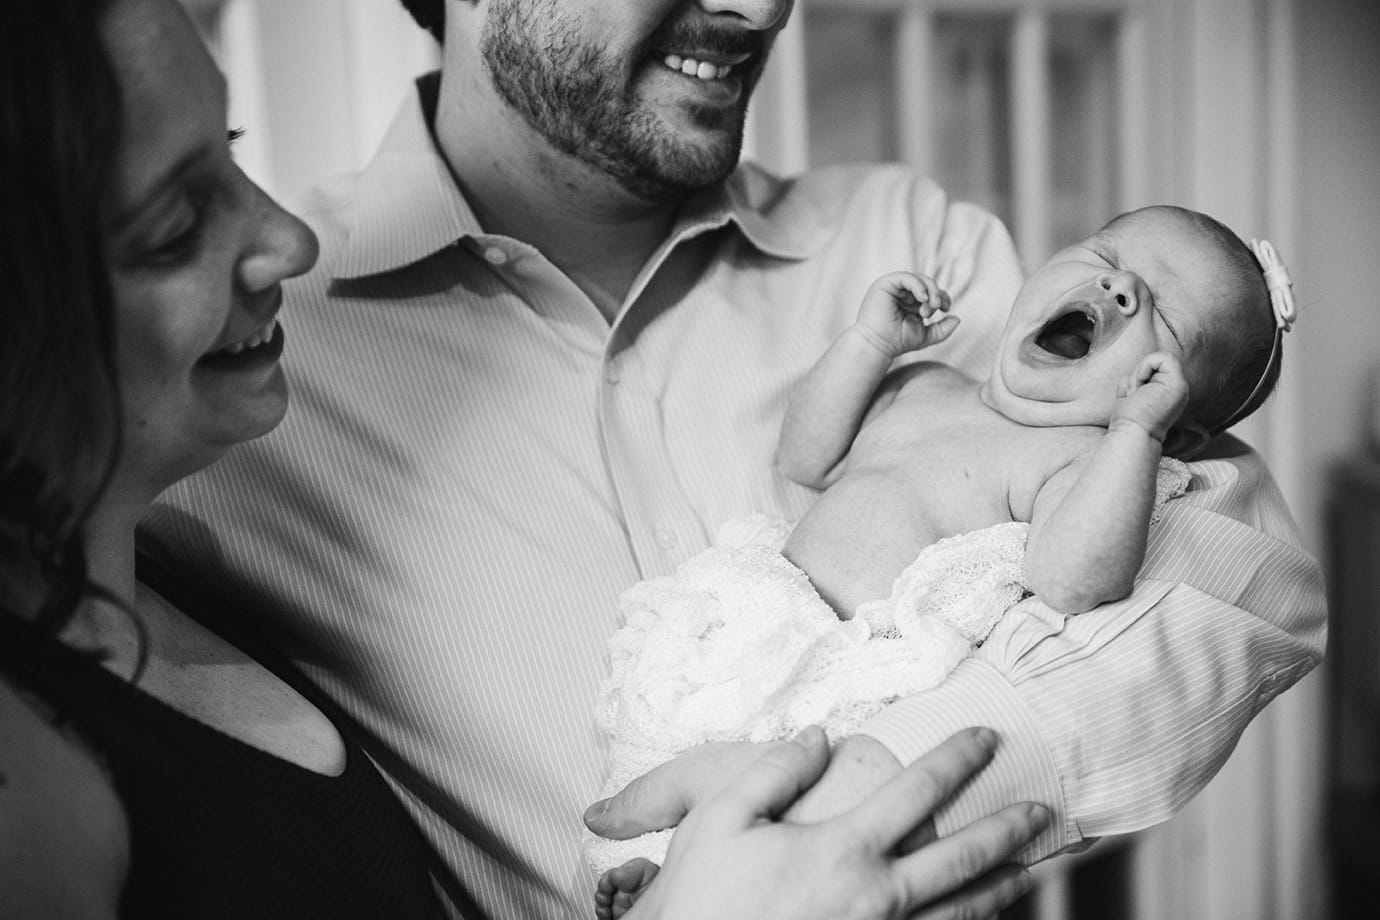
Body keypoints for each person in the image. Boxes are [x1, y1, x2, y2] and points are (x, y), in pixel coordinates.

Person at [145, 1, 1327, 917]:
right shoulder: (219, 365)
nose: (761, 10)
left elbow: (1234, 568)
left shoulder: (914, 243)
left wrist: (852, 790)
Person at [0, 2, 1050, 918]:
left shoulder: (917, 251)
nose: (760, 7)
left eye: (233, 150)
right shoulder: (250, 388)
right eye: (181, 218)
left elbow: (1198, 558)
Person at [587, 204, 1296, 901]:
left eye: (1166, 320)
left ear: (1179, 428)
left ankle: (677, 864)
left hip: (853, 681)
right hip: (758, 623)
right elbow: (805, 457)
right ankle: (656, 859)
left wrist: (1135, 438)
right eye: (1106, 257)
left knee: (780, 796)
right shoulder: (922, 383)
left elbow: (1072, 581)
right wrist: (870, 343)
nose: (1121, 288)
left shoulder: (1074, 463)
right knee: (668, 717)